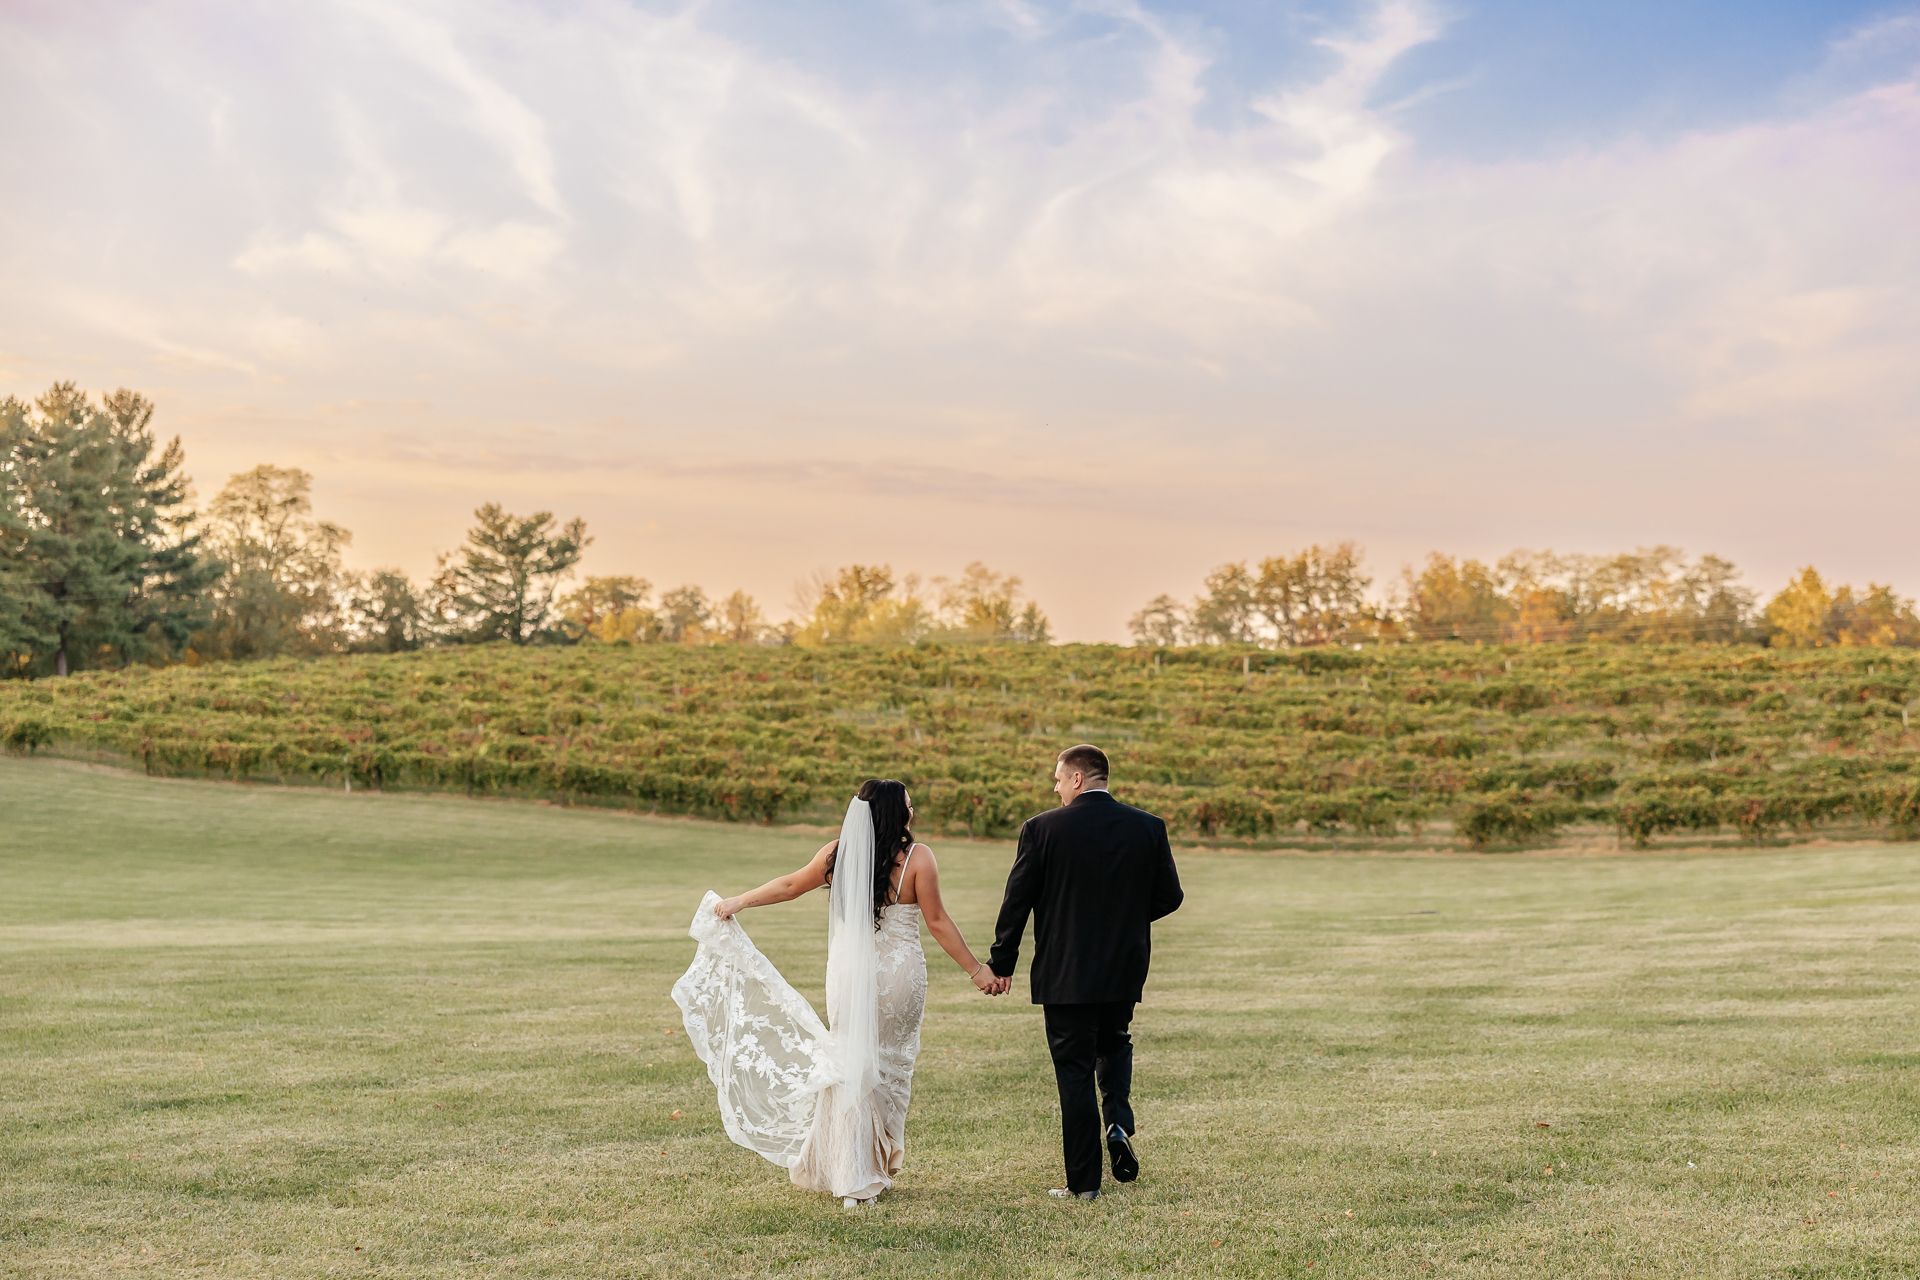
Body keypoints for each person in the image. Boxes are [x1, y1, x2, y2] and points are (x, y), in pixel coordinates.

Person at [671, 778, 998, 1206]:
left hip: (848, 976)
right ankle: (865, 1169)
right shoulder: (919, 858)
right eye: (909, 805)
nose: (913, 811)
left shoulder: (837, 853)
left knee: (850, 1063)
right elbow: (937, 922)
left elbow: (789, 886)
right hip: (900, 977)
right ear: (895, 814)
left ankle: (854, 1172)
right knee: (890, 1068)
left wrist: (737, 902)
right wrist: (977, 971)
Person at [986, 744, 1184, 1201]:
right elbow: (1170, 896)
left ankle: (1084, 1184)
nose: (1054, 787)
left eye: (1058, 778)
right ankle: (1117, 1121)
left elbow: (1017, 901)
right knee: (1114, 1043)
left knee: (1074, 1071)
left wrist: (1002, 962)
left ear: (1077, 779)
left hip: (1065, 971)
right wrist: (1124, 919)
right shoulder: (1148, 827)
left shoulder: (1041, 829)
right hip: (1123, 968)